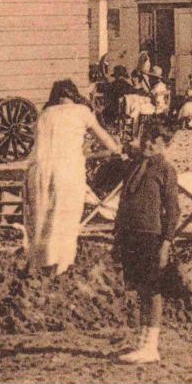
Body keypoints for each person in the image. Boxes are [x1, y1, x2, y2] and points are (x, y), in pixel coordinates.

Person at [24, 80, 124, 275]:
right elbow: (104, 139)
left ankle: (37, 265)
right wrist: (118, 150)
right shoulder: (82, 111)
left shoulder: (45, 114)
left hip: (38, 170)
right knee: (65, 218)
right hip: (66, 171)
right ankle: (60, 266)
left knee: (41, 218)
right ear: (74, 96)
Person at [112, 121, 178, 364]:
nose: (148, 143)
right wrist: (118, 235)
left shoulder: (166, 171)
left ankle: (152, 345)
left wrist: (166, 242)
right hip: (130, 234)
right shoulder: (132, 167)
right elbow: (123, 202)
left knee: (153, 291)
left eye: (155, 140)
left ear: (166, 145)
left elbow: (172, 211)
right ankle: (142, 341)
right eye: (145, 138)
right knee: (140, 288)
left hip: (151, 235)